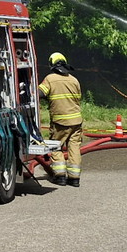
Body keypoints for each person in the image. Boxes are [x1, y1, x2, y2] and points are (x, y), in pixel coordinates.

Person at [39, 52, 84, 187]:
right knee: (74, 147)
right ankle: (74, 178)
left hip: (60, 122)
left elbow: (39, 93)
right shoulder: (74, 80)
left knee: (56, 145)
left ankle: (60, 176)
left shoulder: (50, 79)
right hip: (76, 121)